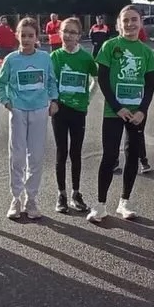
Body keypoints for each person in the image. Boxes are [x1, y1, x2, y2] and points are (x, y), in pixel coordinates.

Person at [88, 5, 154, 222]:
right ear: (119, 24)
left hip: (136, 114)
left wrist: (143, 111)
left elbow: (150, 84)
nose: (130, 24)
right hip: (114, 112)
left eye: (134, 19)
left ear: (141, 22)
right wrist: (118, 107)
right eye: (125, 20)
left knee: (133, 156)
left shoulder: (146, 51)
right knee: (109, 157)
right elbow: (103, 79)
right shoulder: (110, 46)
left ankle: (124, 203)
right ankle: (100, 205)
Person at [0, 17, 60, 220]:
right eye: (22, 35)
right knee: (16, 156)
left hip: (39, 111)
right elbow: (1, 83)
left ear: (37, 37)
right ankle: (15, 198)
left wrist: (53, 100)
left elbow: (52, 81)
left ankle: (31, 198)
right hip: (18, 111)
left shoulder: (45, 58)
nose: (26, 39)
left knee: (35, 156)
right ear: (17, 36)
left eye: (30, 35)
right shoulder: (11, 60)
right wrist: (6, 101)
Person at [51, 16, 97, 214]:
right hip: (60, 111)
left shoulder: (86, 57)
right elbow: (50, 83)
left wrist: (88, 98)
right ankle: (61, 194)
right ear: (59, 33)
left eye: (73, 32)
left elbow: (96, 79)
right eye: (65, 31)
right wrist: (52, 101)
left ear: (79, 36)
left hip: (79, 111)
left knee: (76, 153)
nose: (68, 35)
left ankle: (75, 193)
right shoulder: (54, 57)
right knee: (61, 152)